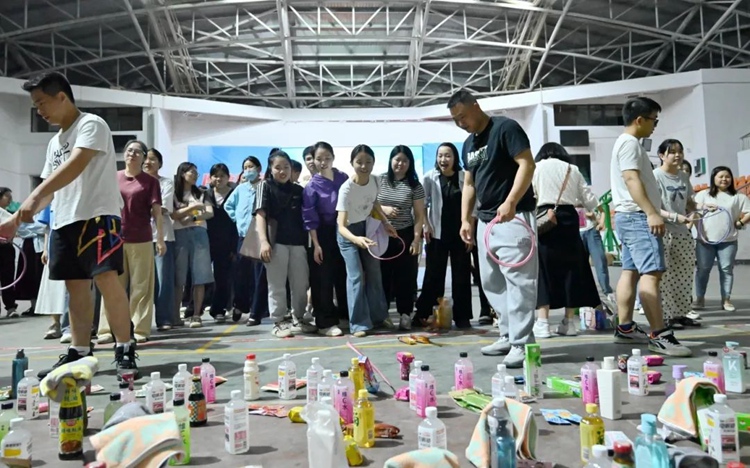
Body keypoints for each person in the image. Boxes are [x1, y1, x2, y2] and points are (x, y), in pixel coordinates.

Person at [0, 72, 138, 377]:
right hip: (64, 221)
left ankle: (125, 347)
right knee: (75, 288)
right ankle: (80, 351)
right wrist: (15, 220)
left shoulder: (91, 124)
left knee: (107, 281)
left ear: (62, 97)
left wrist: (32, 197)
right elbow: (51, 190)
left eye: (42, 103)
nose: (39, 111)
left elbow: (75, 166)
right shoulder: (54, 142)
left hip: (97, 217)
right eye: (36, 105)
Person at [449, 89, 538, 368]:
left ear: (476, 106)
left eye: (463, 116)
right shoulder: (468, 144)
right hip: (486, 221)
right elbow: (469, 184)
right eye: (455, 120)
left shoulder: (506, 128)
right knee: (491, 283)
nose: (460, 123)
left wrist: (511, 201)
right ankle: (508, 335)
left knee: (520, 283)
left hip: (514, 217)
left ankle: (522, 344)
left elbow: (527, 164)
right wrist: (466, 219)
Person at [609, 97, 690, 357]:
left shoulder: (624, 143)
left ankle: (625, 328)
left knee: (631, 272)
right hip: (637, 217)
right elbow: (631, 179)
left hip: (627, 216)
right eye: (654, 120)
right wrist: (651, 212)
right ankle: (659, 335)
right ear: (640, 120)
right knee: (651, 274)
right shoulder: (630, 144)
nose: (655, 125)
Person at [97, 140, 165, 344]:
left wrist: (160, 238)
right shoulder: (113, 177)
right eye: (129, 150)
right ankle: (107, 329)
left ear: (143, 157)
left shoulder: (150, 182)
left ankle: (139, 328)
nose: (132, 154)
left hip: (141, 239)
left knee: (141, 287)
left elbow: (157, 212)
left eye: (137, 152)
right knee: (112, 286)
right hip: (114, 239)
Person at [531, 143, 600, 339]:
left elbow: (531, 195)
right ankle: (568, 323)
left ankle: (543, 322)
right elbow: (589, 198)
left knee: (543, 269)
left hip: (544, 219)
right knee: (571, 269)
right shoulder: (572, 169)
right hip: (569, 219)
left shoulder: (536, 168)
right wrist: (597, 212)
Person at [336, 145, 398, 337]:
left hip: (366, 229)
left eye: (368, 162)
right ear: (351, 163)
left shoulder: (375, 180)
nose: (364, 166)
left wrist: (386, 223)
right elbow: (341, 226)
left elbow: (374, 202)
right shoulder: (346, 189)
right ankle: (358, 324)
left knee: (374, 272)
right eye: (359, 162)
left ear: (373, 163)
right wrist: (356, 239)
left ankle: (379, 317)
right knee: (355, 277)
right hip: (348, 234)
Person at [255, 151, 317, 338]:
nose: (282, 171)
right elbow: (260, 215)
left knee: (301, 283)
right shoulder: (265, 186)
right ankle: (279, 321)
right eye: (278, 167)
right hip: (276, 243)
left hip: (298, 243)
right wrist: (264, 242)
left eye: (286, 167)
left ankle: (299, 318)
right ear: (270, 168)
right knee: (277, 284)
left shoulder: (298, 190)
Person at [416, 143, 474, 328]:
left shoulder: (464, 177)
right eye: (440, 155)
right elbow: (422, 204)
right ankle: (424, 314)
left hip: (461, 234)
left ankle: (462, 317)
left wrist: (471, 231)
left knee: (462, 276)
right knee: (433, 275)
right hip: (437, 233)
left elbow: (474, 206)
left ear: (455, 158)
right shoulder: (430, 177)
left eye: (448, 155)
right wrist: (426, 224)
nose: (443, 159)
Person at [302, 142, 349, 337]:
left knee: (344, 274)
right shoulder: (311, 186)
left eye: (327, 158)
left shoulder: (343, 178)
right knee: (323, 278)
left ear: (333, 158)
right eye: (318, 158)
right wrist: (316, 245)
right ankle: (325, 322)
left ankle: (346, 315)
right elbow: (309, 217)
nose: (323, 162)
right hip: (322, 234)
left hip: (344, 230)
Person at [652, 139, 700, 329]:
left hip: (682, 232)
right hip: (662, 231)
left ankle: (681, 313)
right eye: (672, 152)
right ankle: (666, 316)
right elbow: (652, 207)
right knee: (664, 276)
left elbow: (689, 202)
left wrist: (701, 208)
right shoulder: (655, 176)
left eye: (680, 151)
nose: (677, 155)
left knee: (684, 273)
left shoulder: (683, 176)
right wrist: (674, 216)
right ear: (661, 155)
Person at [377, 145, 426, 330]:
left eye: (405, 161)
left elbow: (419, 215)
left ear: (410, 163)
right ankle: (382, 315)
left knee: (405, 277)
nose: (400, 164)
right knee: (382, 277)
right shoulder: (380, 180)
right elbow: (370, 204)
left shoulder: (415, 186)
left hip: (404, 235)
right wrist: (384, 209)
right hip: (381, 234)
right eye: (397, 160)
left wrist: (416, 239)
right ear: (391, 160)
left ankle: (405, 314)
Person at [693, 166, 750, 312]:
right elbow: (694, 213)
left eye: (727, 176)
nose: (724, 179)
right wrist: (700, 232)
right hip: (704, 241)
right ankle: (699, 299)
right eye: (721, 176)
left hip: (728, 241)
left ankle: (726, 300)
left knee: (726, 270)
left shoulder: (738, 197)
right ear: (713, 178)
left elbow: (748, 212)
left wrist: (740, 223)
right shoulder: (703, 195)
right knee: (703, 269)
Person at [225, 156, 269, 326]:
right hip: (243, 236)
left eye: (251, 166)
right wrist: (237, 219)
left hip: (260, 236)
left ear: (259, 169)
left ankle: (256, 311)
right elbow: (228, 206)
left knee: (259, 276)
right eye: (245, 167)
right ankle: (240, 305)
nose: (248, 170)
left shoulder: (265, 186)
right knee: (240, 274)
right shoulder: (240, 189)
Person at [172, 162, 214, 328]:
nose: (195, 176)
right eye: (192, 173)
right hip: (179, 234)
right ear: (183, 174)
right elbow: (174, 215)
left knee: (200, 274)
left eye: (197, 173)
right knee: (179, 276)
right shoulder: (174, 193)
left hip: (199, 233)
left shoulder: (202, 192)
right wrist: (194, 208)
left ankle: (197, 314)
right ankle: (175, 315)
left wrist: (194, 217)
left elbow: (209, 213)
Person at [143, 148, 179, 330]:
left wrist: (140, 208)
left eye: (152, 159)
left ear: (160, 163)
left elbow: (164, 208)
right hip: (139, 236)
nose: (148, 162)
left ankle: (164, 318)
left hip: (162, 235)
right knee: (142, 281)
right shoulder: (136, 182)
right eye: (145, 159)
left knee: (163, 279)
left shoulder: (166, 183)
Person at [205, 163, 238, 322]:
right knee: (200, 276)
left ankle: (219, 309)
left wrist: (233, 246)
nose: (219, 179)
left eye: (222, 176)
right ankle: (194, 310)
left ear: (228, 177)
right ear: (210, 178)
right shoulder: (206, 194)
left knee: (222, 277)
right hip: (205, 241)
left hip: (227, 242)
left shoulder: (234, 194)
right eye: (215, 176)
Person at [0, 187, 19, 318]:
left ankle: (11, 307)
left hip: (6, 249)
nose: (10, 199)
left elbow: (15, 228)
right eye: (7, 196)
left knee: (8, 278)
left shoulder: (9, 214)